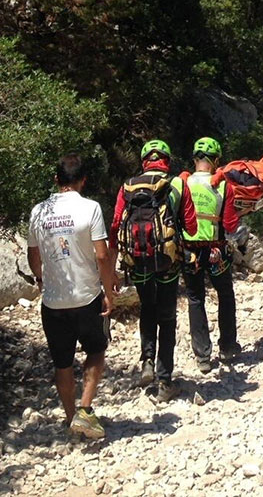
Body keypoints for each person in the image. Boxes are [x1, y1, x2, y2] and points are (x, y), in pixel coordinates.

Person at [27, 153, 116, 438]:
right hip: (86, 296)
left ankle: (70, 420)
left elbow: (33, 255)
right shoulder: (90, 208)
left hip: (53, 300)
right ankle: (85, 410)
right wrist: (109, 291)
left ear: (56, 179)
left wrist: (42, 278)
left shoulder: (38, 211)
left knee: (62, 362)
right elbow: (102, 255)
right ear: (83, 180)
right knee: (96, 350)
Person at [110, 139, 197, 402]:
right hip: (166, 261)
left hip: (137, 261)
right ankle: (165, 380)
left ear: (144, 161)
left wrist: (112, 266)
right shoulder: (177, 184)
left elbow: (115, 226)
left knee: (147, 307)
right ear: (167, 161)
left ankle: (147, 360)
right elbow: (192, 227)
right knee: (167, 317)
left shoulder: (127, 187)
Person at [181, 137, 247, 373]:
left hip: (189, 251)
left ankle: (202, 356)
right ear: (216, 159)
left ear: (195, 159)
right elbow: (230, 223)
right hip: (216, 250)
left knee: (195, 298)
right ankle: (228, 347)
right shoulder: (223, 185)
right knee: (225, 294)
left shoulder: (182, 183)